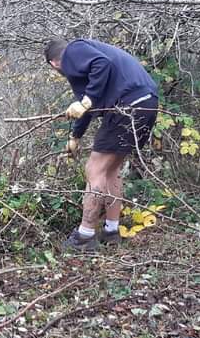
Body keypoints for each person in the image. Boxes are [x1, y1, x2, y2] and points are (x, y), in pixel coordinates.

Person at [45, 38, 160, 250]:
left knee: (94, 169)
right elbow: (86, 107)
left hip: (127, 104)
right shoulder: (86, 65)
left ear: (54, 64)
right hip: (147, 103)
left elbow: (102, 65)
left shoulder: (74, 50)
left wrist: (86, 101)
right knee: (111, 169)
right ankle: (111, 231)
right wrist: (75, 137)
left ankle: (85, 236)